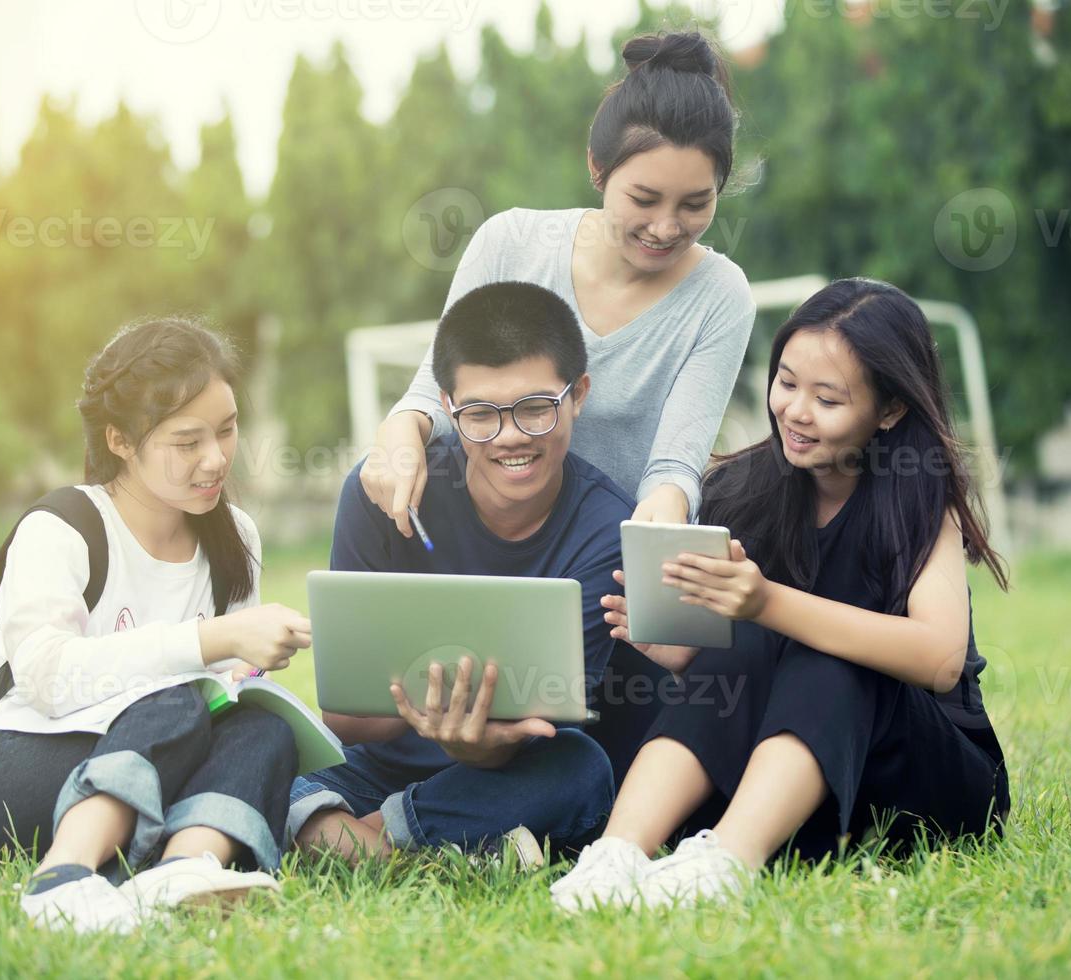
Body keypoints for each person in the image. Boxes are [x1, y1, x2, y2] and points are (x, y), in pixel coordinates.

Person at [550, 278, 1013, 912]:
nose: (794, 410)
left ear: (890, 410)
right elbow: (742, 657)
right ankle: (617, 855)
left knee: (826, 649)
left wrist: (766, 603)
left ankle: (727, 867)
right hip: (786, 790)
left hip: (918, 781)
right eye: (787, 382)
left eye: (827, 398)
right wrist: (679, 648)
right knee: (748, 637)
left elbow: (939, 660)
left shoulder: (920, 500)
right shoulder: (743, 489)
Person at [0, 318, 313, 933]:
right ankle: (61, 878)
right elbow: (46, 680)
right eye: (187, 442)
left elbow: (223, 686)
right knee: (172, 701)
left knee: (261, 729)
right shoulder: (62, 527)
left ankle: (181, 872)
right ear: (121, 441)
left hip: (136, 760)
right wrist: (211, 642)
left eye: (228, 430)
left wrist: (246, 665)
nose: (216, 458)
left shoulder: (236, 538)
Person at [288, 282, 656, 864]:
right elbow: (346, 721)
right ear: (446, 406)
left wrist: (476, 748)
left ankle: (365, 843)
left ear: (578, 395)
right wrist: (423, 715)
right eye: (480, 414)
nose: (510, 436)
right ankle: (445, 849)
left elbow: (542, 725)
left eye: (536, 408)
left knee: (583, 771)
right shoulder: (383, 491)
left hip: (507, 774)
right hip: (377, 770)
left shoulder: (607, 528)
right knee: (277, 762)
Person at [364, 30, 757, 532]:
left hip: (601, 551)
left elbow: (672, 470)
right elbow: (436, 394)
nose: (665, 227)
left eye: (695, 204)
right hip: (484, 533)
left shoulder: (719, 296)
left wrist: (665, 511)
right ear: (597, 167)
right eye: (643, 199)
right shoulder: (511, 242)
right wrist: (400, 429)